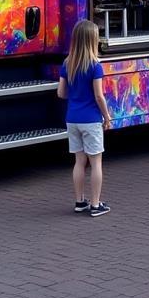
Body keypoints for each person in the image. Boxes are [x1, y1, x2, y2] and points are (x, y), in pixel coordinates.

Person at [58, 20, 113, 216]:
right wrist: (107, 116)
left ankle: (80, 201)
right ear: (93, 40)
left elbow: (61, 93)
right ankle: (96, 205)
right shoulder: (95, 66)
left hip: (72, 119)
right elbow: (99, 95)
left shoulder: (67, 63)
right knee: (96, 163)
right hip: (91, 120)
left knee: (79, 162)